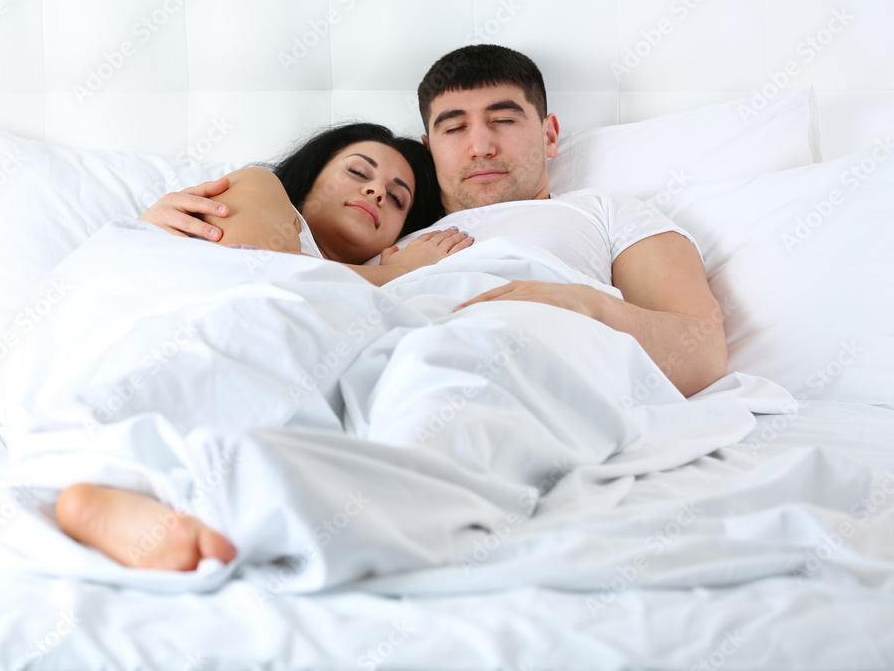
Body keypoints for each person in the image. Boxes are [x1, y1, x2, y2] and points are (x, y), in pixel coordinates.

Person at [56, 44, 729, 573]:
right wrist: (165, 228)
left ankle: (234, 508)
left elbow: (697, 351)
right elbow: (264, 269)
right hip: (372, 326)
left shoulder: (607, 212)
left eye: (504, 119)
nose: (481, 145)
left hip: (517, 324)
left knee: (455, 393)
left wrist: (572, 303)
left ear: (549, 132)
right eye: (453, 127)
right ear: (431, 145)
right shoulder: (385, 233)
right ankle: (122, 473)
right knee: (263, 332)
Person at [160, 121, 472, 283]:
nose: (377, 192)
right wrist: (397, 272)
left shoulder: (375, 292)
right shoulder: (258, 182)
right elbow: (254, 274)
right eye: (357, 172)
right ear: (310, 181)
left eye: (396, 198)